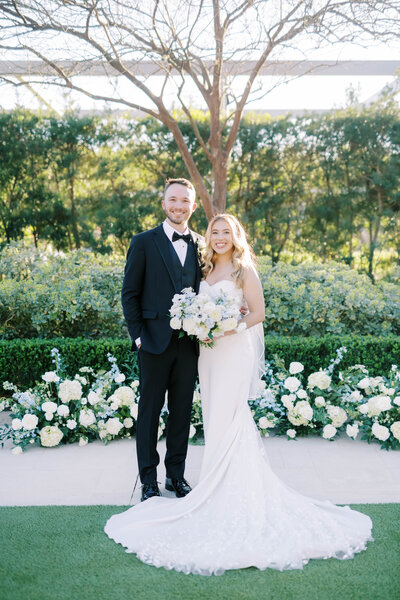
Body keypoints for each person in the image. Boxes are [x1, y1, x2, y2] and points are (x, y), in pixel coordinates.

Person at [105, 214, 373, 575]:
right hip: (207, 354)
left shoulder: (243, 270)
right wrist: (201, 324)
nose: (218, 238)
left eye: (225, 232)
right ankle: (197, 481)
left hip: (231, 351)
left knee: (230, 416)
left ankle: (227, 487)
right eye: (214, 232)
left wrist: (229, 327)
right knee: (214, 418)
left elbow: (258, 312)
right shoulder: (204, 268)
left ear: (235, 236)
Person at [121, 177, 203, 502]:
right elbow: (130, 293)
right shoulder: (143, 242)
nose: (179, 206)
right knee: (149, 413)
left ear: (193, 206)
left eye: (185, 201)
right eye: (173, 199)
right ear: (164, 203)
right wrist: (138, 336)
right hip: (153, 342)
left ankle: (176, 476)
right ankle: (149, 481)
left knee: (182, 412)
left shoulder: (201, 243)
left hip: (189, 346)